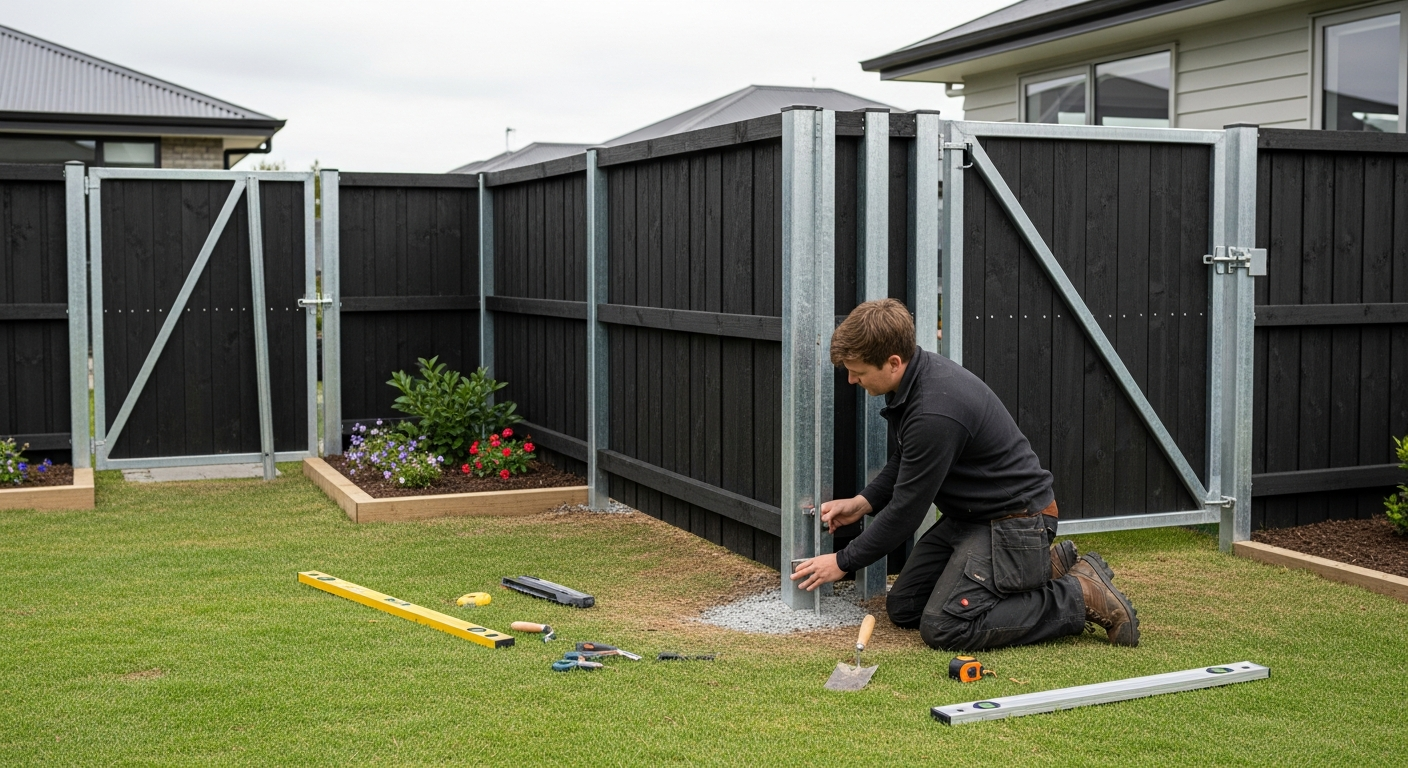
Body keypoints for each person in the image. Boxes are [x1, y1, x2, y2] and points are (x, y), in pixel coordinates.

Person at [790, 298, 1140, 650]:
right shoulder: (918, 379)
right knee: (906, 606)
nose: (851, 379)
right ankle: (1040, 568)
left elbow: (906, 512)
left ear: (893, 363)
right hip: (972, 519)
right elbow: (908, 457)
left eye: (859, 371)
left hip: (1016, 522)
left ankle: (1078, 595)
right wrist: (863, 502)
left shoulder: (934, 411)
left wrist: (842, 561)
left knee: (945, 626)